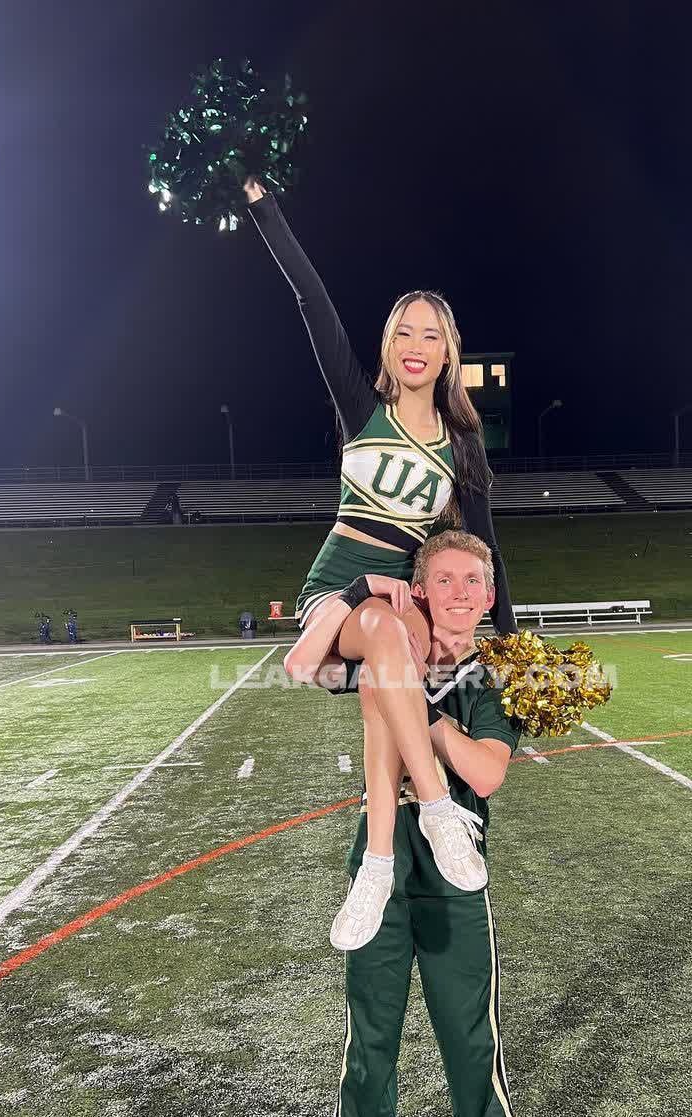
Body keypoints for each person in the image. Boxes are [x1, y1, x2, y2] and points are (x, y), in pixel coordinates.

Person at [243, 177, 518, 941]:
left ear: (448, 351)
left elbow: (487, 550)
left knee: (388, 672)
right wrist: (264, 206)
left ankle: (376, 866)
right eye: (404, 333)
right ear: (389, 348)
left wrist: (511, 641)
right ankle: (435, 808)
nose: (416, 346)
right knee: (387, 643)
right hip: (339, 586)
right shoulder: (362, 409)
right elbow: (312, 301)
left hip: (397, 595)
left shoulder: (461, 446)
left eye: (431, 335)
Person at [291, 528, 545, 1117]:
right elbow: (307, 665)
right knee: (370, 1036)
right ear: (422, 590)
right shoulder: (391, 645)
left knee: (470, 1035)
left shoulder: (498, 678)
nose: (460, 592)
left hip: (455, 872)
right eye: (445, 580)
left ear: (490, 596)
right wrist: (363, 602)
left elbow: (487, 771)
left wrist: (410, 707)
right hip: (382, 865)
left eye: (474, 581)